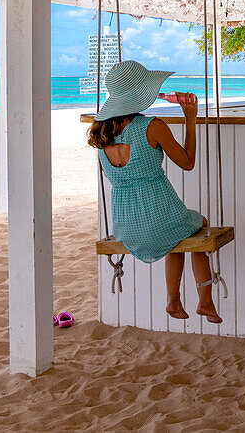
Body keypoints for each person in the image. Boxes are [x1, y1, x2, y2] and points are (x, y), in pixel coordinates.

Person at [87, 60, 221, 323]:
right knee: (198, 225)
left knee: (175, 234)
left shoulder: (101, 133)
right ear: (140, 94)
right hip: (158, 220)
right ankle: (205, 302)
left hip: (125, 227)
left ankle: (174, 301)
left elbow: (117, 175)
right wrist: (190, 120)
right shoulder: (152, 126)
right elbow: (188, 163)